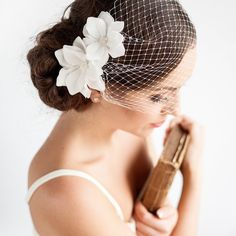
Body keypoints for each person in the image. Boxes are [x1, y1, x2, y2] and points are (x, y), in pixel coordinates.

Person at [25, 0, 205, 235]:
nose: (175, 110)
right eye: (158, 97)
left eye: (177, 88)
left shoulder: (129, 127)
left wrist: (163, 214)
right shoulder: (67, 193)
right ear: (97, 86)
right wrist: (194, 177)